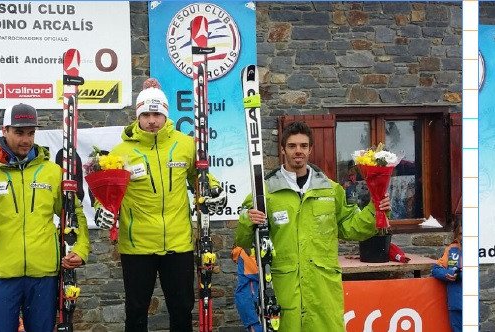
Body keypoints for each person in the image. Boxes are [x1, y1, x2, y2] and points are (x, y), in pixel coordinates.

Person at [93, 79, 227, 331]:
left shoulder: (185, 145)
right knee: (136, 311)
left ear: (166, 114)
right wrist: (103, 208)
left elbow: (200, 176)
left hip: (178, 243)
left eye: (157, 114)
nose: (151, 120)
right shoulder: (121, 151)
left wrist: (214, 188)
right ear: (137, 116)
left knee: (181, 309)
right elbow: (110, 194)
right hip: (137, 246)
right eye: (145, 114)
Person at [234, 121, 391, 331]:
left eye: (303, 145)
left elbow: (351, 228)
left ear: (310, 149)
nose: (298, 151)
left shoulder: (330, 190)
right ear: (282, 150)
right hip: (284, 289)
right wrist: (247, 220)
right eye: (292, 146)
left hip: (322, 291)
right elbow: (243, 241)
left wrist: (376, 209)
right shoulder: (265, 192)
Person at [0, 103, 90, 331]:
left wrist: (80, 249)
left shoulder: (51, 172)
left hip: (43, 274)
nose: (26, 140)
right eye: (19, 132)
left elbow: (74, 212)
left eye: (31, 133)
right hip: (3, 273)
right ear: (4, 130)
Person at [432, 220, 462, 332]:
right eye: (461, 234)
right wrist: (447, 274)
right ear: (456, 235)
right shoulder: (451, 249)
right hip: (455, 303)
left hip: (471, 304)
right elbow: (436, 269)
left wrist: (459, 275)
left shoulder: (476, 249)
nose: (464, 237)